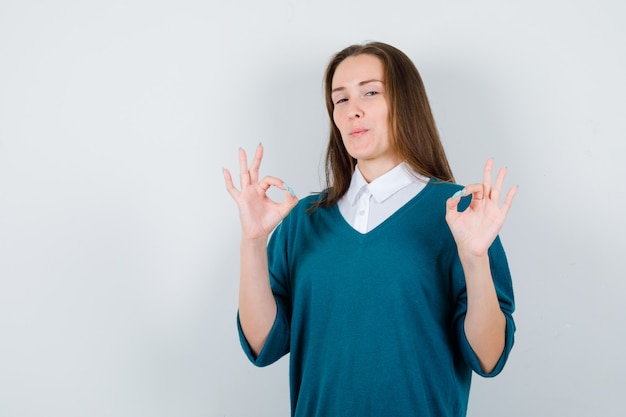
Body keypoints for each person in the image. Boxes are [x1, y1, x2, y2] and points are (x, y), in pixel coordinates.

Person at [223, 41, 518, 417]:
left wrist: (475, 260)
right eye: (340, 100)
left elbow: (489, 357)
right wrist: (252, 241)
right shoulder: (303, 219)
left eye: (370, 92)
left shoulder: (462, 214)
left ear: (405, 103)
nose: (352, 111)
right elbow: (262, 344)